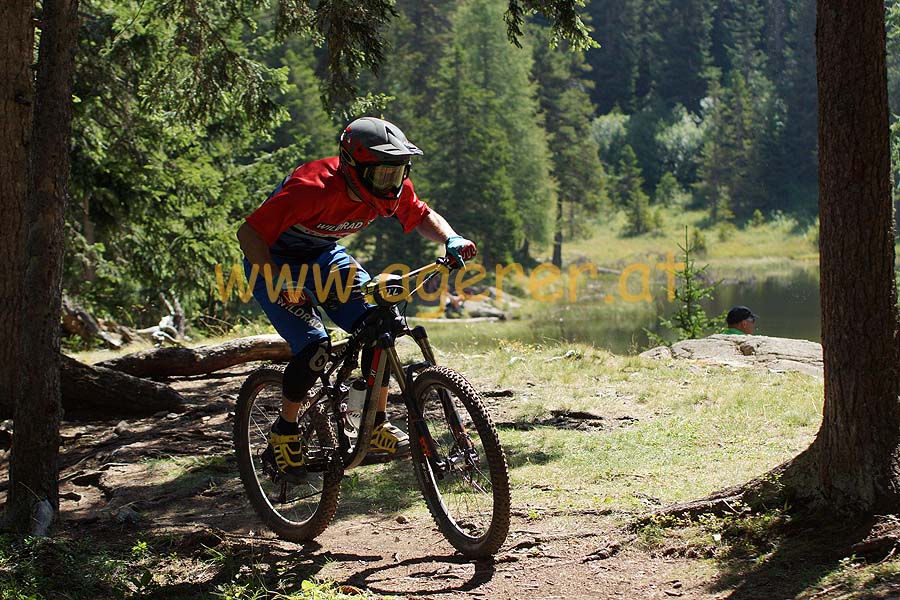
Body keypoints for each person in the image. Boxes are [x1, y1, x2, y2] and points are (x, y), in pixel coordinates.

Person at [237, 117, 477, 476]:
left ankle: (375, 422)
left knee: (383, 324)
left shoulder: (391, 187)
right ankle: (285, 429)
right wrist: (278, 281)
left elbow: (422, 214)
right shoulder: (311, 188)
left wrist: (451, 238)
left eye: (398, 174)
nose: (392, 185)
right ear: (352, 167)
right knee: (315, 347)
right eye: (383, 175)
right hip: (273, 263)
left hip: (323, 257)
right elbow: (249, 234)